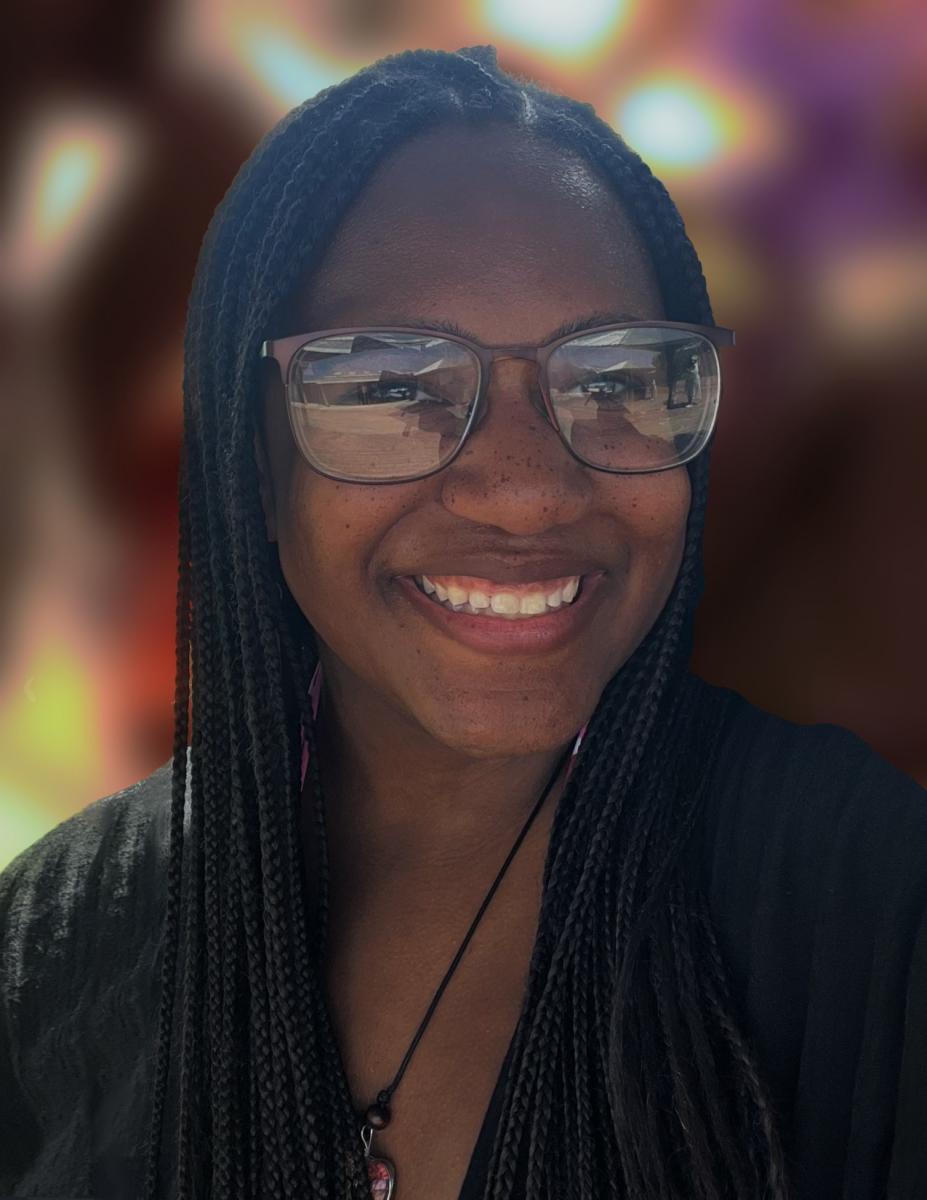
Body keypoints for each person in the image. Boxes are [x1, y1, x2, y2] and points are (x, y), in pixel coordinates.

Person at [0, 44, 924, 1200]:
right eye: (392, 386)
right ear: (254, 454)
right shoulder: (59, 945)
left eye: (616, 379)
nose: (527, 491)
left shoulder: (872, 903)